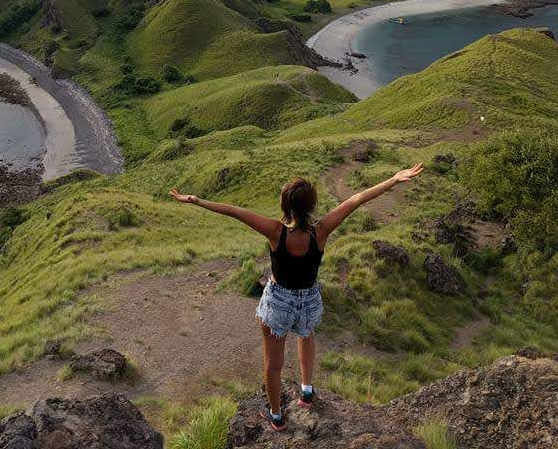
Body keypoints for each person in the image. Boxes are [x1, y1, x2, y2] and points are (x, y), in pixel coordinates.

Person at [169, 163, 423, 431]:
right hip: (309, 299)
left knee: (273, 365)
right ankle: (306, 390)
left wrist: (195, 200)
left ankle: (277, 417)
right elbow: (357, 199)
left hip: (278, 302)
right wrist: (393, 179)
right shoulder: (321, 231)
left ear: (284, 205)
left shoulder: (275, 232)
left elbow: (234, 211)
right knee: (306, 334)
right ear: (311, 205)